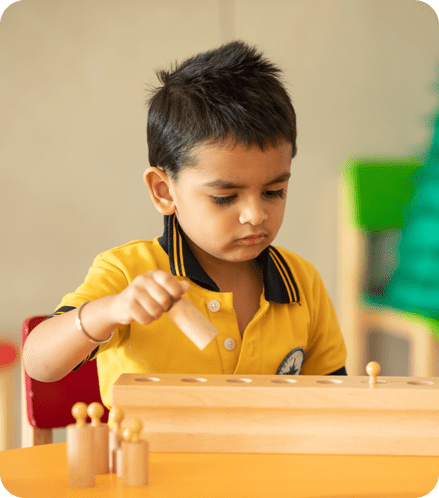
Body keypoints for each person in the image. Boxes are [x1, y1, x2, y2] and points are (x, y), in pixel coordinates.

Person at [23, 40, 347, 409]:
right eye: (225, 198)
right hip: (151, 464)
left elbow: (331, 400)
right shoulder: (127, 273)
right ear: (164, 191)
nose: (256, 215)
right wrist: (111, 310)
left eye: (274, 191)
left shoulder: (302, 283)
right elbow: (39, 363)